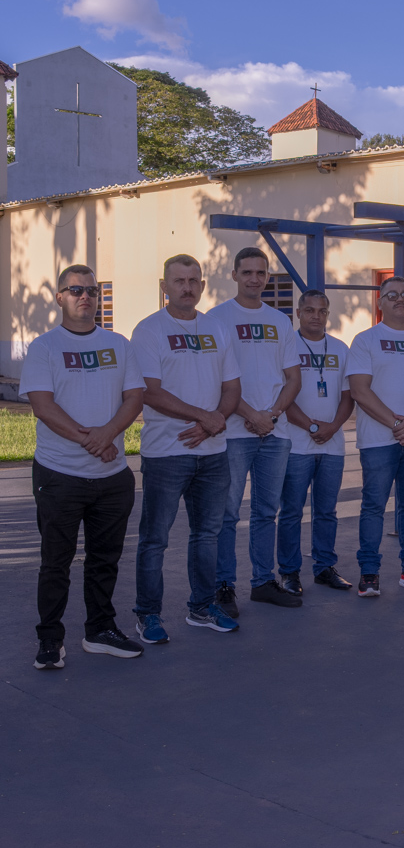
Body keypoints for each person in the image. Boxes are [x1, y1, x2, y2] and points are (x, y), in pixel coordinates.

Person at [27, 264, 147, 667]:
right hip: (59, 476)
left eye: (92, 291)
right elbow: (43, 406)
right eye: (76, 290)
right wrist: (92, 441)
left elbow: (134, 397)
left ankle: (100, 631)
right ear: (59, 297)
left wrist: (107, 434)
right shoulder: (44, 347)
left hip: (111, 478)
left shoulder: (119, 344)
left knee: (104, 561)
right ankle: (50, 640)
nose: (85, 297)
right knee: (55, 563)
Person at [131, 254, 242, 634]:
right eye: (179, 281)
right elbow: (150, 392)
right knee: (155, 539)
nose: (187, 287)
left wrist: (215, 422)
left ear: (203, 286)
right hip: (167, 452)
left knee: (207, 535)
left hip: (212, 453)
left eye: (194, 281)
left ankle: (202, 607)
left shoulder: (216, 328)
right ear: (164, 286)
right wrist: (205, 417)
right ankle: (148, 614)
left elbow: (232, 387)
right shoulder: (149, 330)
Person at [207, 247, 302, 610]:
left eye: (260, 273)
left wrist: (272, 416)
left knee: (266, 512)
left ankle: (263, 581)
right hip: (233, 433)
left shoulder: (280, 321)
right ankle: (223, 586)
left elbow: (293, 378)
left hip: (275, 434)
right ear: (234, 275)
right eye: (246, 272)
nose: (254, 279)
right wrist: (250, 414)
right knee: (227, 514)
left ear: (268, 277)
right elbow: (215, 378)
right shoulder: (217, 319)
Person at [347, 277, 404, 597]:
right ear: (380, 302)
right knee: (373, 506)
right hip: (378, 440)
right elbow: (359, 391)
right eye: (391, 294)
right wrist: (398, 423)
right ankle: (369, 573)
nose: (400, 299)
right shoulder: (365, 340)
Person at [276, 289, 356, 595]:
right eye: (309, 310)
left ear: (328, 314)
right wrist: (311, 426)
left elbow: (348, 396)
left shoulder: (340, 348)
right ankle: (289, 572)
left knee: (327, 511)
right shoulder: (287, 346)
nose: (316, 316)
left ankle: (324, 567)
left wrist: (333, 427)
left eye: (322, 311)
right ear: (298, 313)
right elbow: (283, 395)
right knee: (291, 512)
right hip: (296, 444)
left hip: (332, 445)